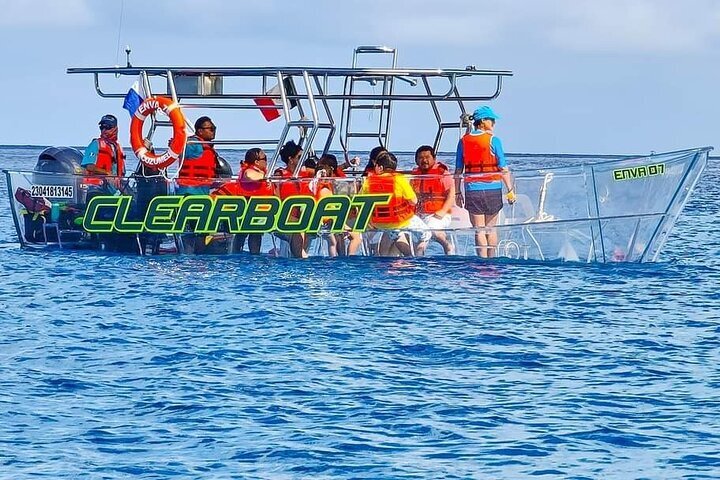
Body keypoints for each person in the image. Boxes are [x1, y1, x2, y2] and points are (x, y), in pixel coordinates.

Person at [455, 106, 515, 258]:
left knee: (479, 230)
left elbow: (457, 171)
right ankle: (492, 259)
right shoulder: (494, 140)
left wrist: (457, 192)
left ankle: (481, 260)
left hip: (472, 189)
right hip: (493, 188)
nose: (494, 123)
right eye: (491, 120)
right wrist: (510, 190)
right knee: (491, 228)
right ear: (482, 121)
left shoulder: (463, 141)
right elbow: (503, 168)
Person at [361, 151, 429, 256]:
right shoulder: (399, 179)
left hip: (379, 222)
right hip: (401, 219)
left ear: (380, 167)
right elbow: (413, 201)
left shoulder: (368, 181)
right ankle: (418, 253)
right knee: (427, 234)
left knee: (397, 234)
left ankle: (409, 256)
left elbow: (361, 201)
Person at [214, 148, 274, 254]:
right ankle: (240, 253)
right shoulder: (249, 170)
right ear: (256, 162)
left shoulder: (259, 171)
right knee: (245, 234)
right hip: (247, 207)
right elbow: (249, 175)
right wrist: (266, 177)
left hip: (257, 207)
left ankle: (252, 254)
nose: (266, 161)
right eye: (264, 158)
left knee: (255, 234)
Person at [314, 154, 363, 256]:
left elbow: (339, 168)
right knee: (355, 238)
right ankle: (349, 258)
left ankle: (341, 258)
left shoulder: (317, 184)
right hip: (332, 219)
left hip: (331, 219)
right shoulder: (330, 184)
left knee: (336, 239)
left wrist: (348, 164)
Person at [410, 145, 455, 255]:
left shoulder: (442, 173)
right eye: (420, 158)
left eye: (427, 157)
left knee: (431, 229)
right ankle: (415, 261)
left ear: (434, 159)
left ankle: (448, 246)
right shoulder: (414, 175)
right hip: (420, 214)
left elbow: (451, 194)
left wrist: (442, 211)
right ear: (416, 160)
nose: (424, 160)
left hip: (439, 214)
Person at [273, 140, 314, 257]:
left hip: (302, 215)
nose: (303, 160)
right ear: (291, 159)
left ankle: (300, 255)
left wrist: (346, 165)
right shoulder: (279, 174)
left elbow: (325, 170)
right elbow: (276, 197)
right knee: (298, 228)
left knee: (306, 224)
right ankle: (300, 258)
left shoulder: (304, 172)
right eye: (300, 157)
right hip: (286, 216)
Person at [177, 116, 220, 195]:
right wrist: (176, 144)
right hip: (189, 191)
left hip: (203, 190)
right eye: (211, 129)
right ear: (200, 131)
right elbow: (180, 149)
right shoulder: (193, 143)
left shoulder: (208, 147)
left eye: (214, 128)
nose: (213, 131)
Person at [81, 114, 125, 186]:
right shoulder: (95, 144)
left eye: (107, 127)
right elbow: (89, 167)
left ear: (115, 129)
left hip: (114, 188)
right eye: (102, 127)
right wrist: (107, 173)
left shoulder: (118, 147)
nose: (104, 130)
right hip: (97, 187)